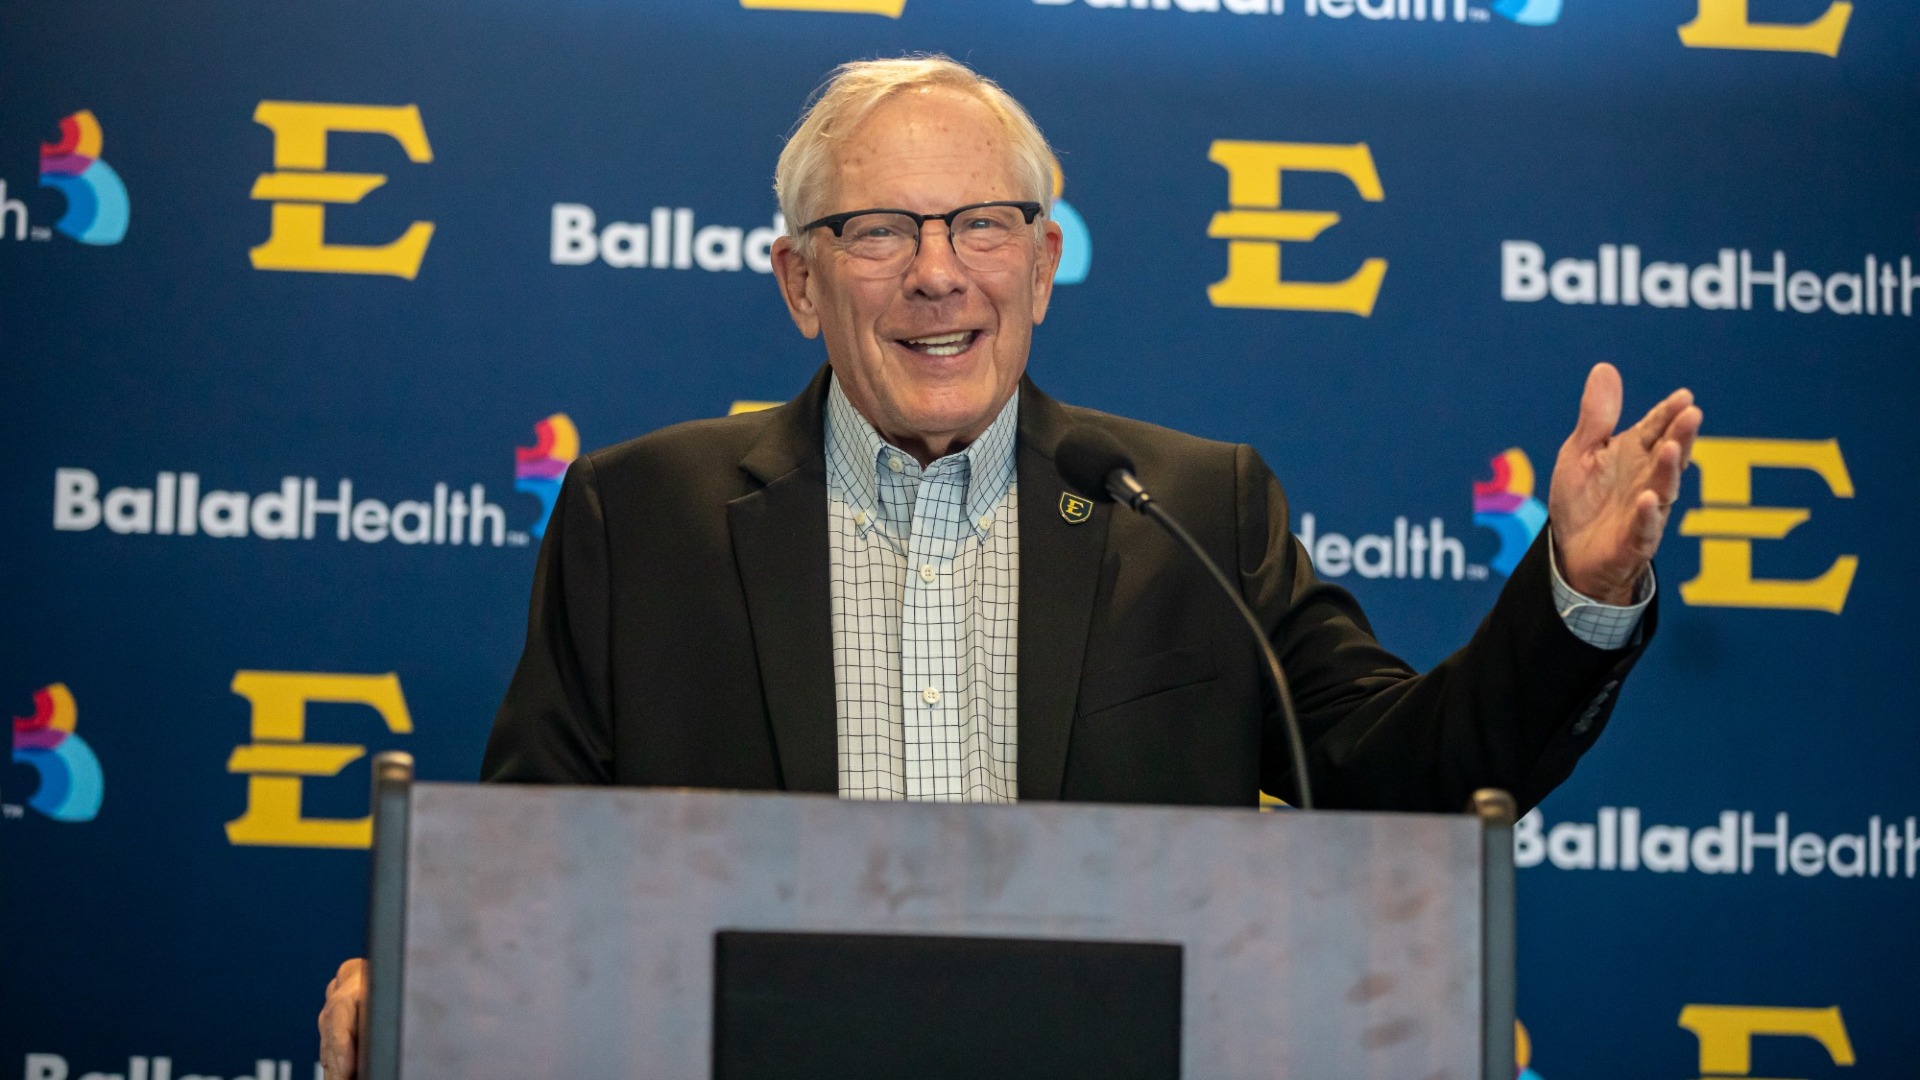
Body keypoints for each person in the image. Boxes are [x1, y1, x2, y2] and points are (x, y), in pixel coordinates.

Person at [317, 55, 1701, 1077]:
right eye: (879, 231)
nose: (937, 274)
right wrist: (433, 979)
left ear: (1041, 265)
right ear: (799, 281)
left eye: (981, 226)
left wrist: (1573, 594)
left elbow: (1408, 782)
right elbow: (536, 864)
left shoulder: (1193, 509)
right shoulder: (641, 517)